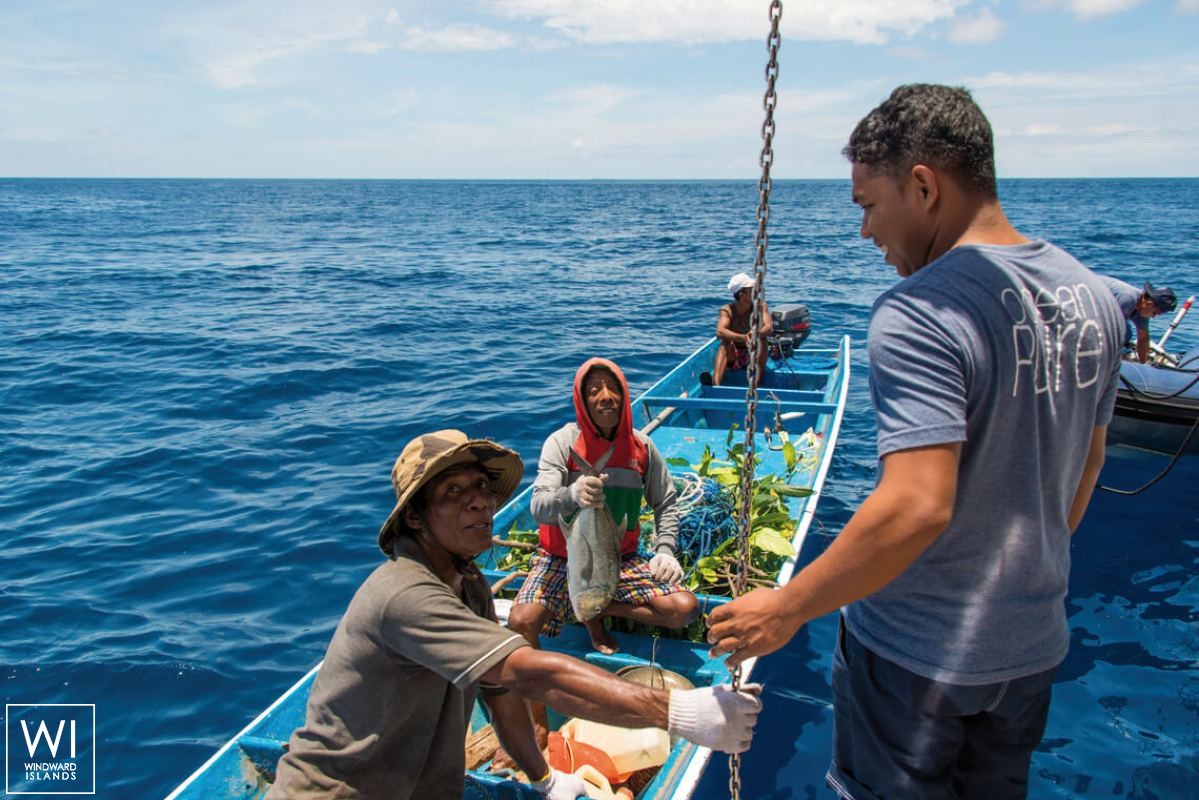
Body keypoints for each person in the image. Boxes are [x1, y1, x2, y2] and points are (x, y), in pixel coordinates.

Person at [707, 84, 1124, 800]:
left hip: (915, 660)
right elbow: (1086, 468)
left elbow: (917, 504)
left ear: (924, 187)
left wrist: (787, 607)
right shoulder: (1094, 299)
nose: (864, 231)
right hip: (1030, 651)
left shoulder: (919, 310)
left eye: (869, 204)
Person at [269, 429, 762, 800]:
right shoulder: (404, 594)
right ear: (415, 517)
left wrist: (543, 778)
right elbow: (527, 672)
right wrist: (677, 712)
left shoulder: (469, 585)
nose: (479, 502)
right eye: (452, 492)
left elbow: (500, 694)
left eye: (482, 487)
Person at [508, 358, 699, 658]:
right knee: (521, 622)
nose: (605, 396)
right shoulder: (562, 443)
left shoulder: (642, 447)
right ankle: (589, 616)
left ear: (624, 395)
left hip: (619, 556)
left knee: (684, 609)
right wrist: (572, 495)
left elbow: (665, 503)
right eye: (594, 390)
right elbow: (539, 507)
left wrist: (665, 550)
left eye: (613, 389)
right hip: (560, 556)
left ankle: (599, 606)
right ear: (582, 400)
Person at [711, 272, 773, 386]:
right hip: (734, 358)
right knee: (725, 343)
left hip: (753, 357)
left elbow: (768, 327)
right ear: (742, 295)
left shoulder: (761, 306)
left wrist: (756, 334)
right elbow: (720, 331)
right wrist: (743, 338)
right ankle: (716, 384)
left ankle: (757, 383)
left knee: (762, 341)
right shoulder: (727, 310)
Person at [1101, 276, 1177, 362]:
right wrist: (1121, 356)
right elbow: (1108, 329)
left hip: (1108, 316)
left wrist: (1144, 364)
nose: (1153, 317)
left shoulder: (1142, 310)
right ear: (1149, 304)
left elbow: (1143, 338)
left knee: (1127, 334)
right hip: (1092, 304)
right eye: (1155, 313)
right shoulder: (1127, 299)